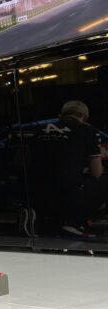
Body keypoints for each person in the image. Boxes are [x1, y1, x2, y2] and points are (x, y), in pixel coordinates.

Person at [28, 100, 108, 237]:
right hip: (67, 193)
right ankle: (75, 222)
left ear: (61, 115)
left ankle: (46, 218)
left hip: (35, 193)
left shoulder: (38, 130)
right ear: (85, 117)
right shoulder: (87, 131)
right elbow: (96, 172)